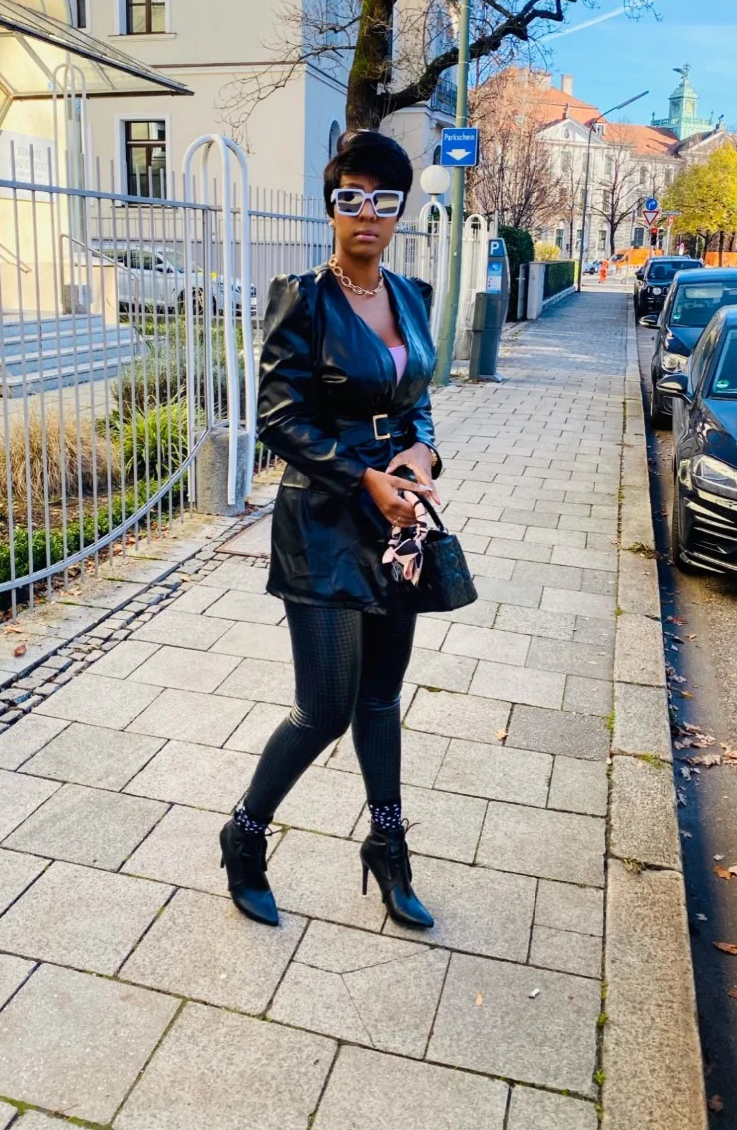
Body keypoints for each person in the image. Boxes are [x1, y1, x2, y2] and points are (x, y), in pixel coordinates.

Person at [218, 130, 441, 930]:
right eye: (352, 199)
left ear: (400, 212)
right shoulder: (303, 299)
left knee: (381, 697)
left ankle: (388, 849)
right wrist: (365, 477)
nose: (367, 215)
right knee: (325, 707)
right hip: (320, 521)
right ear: (332, 209)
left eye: (384, 201)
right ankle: (245, 835)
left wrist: (422, 454)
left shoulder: (411, 294)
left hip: (397, 523)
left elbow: (418, 399)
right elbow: (279, 419)